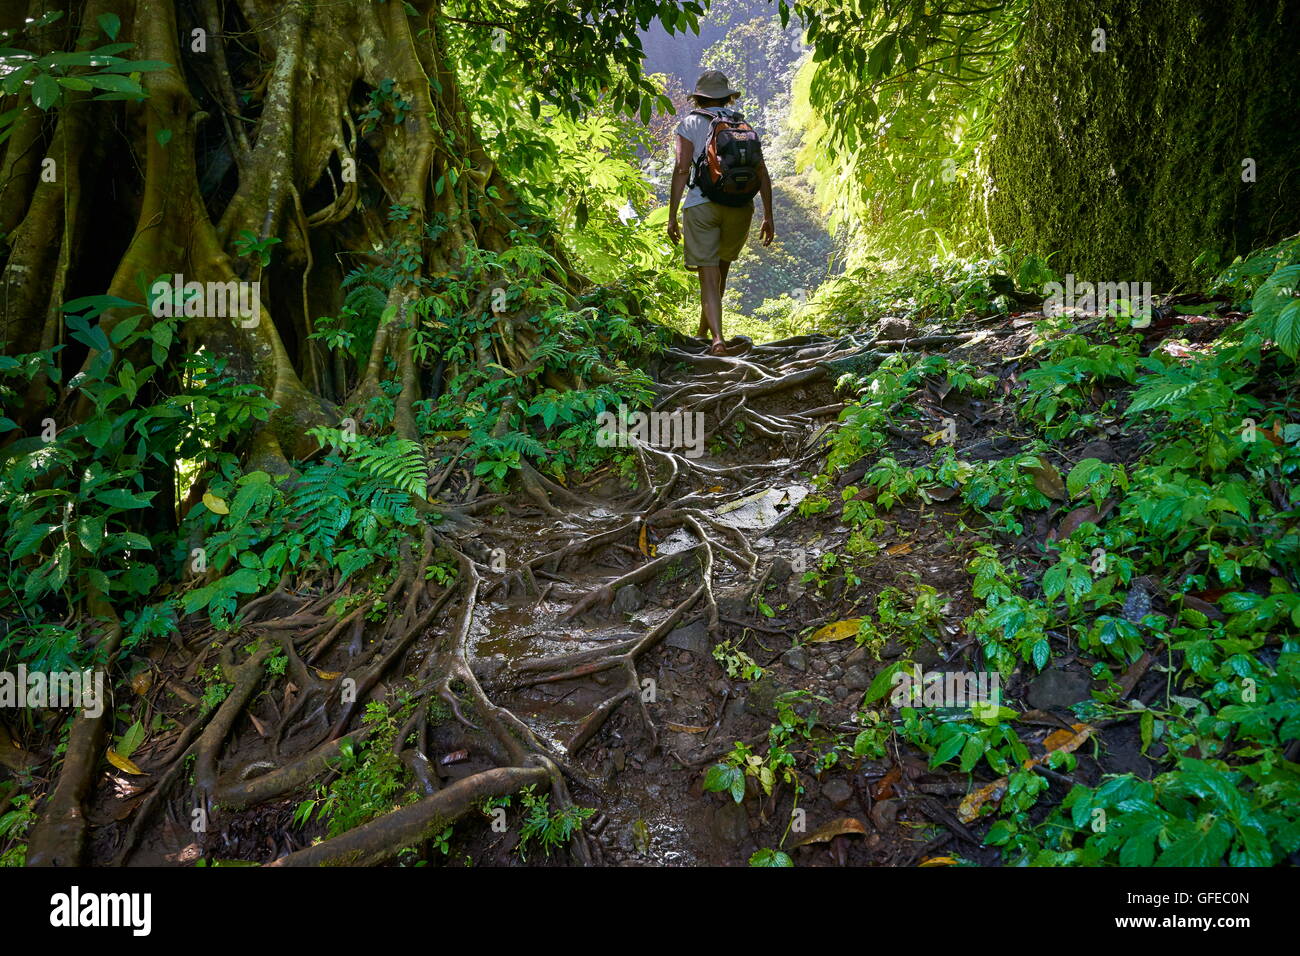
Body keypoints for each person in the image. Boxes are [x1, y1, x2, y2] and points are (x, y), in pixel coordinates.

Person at [667, 70, 775, 356]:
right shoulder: (742, 124)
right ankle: (703, 332)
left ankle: (717, 340)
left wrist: (672, 216)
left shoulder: (689, 123)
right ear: (728, 97)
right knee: (721, 271)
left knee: (708, 276)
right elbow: (761, 171)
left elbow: (681, 169)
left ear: (699, 98)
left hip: (701, 206)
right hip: (739, 207)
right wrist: (768, 216)